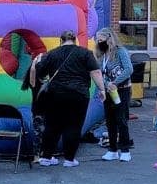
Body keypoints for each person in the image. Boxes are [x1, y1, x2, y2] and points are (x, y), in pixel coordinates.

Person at [29, 30, 103, 167]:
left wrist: (35, 65)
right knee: (74, 125)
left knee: (52, 125)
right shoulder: (85, 53)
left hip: (55, 94)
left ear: (60, 40)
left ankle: (46, 157)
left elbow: (40, 73)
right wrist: (102, 89)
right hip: (79, 94)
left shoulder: (52, 53)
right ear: (75, 40)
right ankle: (69, 159)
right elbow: (96, 72)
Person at [93, 27, 134, 161]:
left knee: (121, 119)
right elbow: (100, 73)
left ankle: (125, 150)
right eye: (98, 40)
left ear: (109, 38)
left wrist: (115, 82)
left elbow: (128, 69)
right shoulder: (102, 55)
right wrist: (103, 87)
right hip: (108, 90)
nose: (99, 42)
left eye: (101, 40)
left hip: (122, 89)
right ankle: (112, 149)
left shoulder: (120, 51)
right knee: (110, 120)